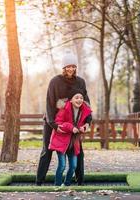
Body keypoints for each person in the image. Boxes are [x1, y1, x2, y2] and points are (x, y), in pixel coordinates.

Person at [36, 52, 90, 186]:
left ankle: (80, 181)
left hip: (73, 125)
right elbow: (49, 103)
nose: (70, 69)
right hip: (52, 123)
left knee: (78, 152)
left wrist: (88, 122)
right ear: (63, 67)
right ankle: (39, 181)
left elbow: (86, 103)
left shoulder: (80, 82)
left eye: (73, 66)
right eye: (68, 66)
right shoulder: (55, 81)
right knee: (47, 152)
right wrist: (53, 124)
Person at [48, 90, 92, 186]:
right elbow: (58, 123)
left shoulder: (84, 110)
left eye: (81, 98)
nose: (79, 100)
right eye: (76, 97)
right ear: (71, 100)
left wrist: (83, 127)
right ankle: (57, 185)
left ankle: (67, 183)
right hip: (61, 141)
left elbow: (86, 123)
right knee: (62, 165)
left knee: (73, 166)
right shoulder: (64, 108)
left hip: (73, 142)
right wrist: (71, 127)